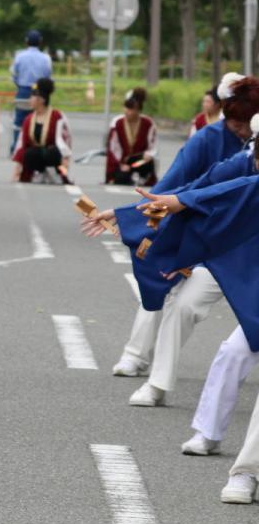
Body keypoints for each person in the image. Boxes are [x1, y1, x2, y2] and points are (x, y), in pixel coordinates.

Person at [96, 73, 259, 379]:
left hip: (243, 237)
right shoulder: (207, 141)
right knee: (160, 272)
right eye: (235, 123)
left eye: (244, 124)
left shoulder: (251, 149)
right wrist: (128, 214)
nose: (239, 130)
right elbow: (180, 185)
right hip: (198, 226)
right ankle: (138, 356)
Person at [11, 78, 71, 184]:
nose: (30, 99)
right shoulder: (28, 119)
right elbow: (22, 145)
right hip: (36, 158)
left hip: (54, 159)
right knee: (30, 153)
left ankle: (56, 175)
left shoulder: (57, 117)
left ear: (41, 99)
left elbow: (64, 144)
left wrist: (65, 169)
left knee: (51, 152)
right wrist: (16, 172)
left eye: (32, 96)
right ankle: (38, 173)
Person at [9, 30, 52, 153]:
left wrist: (18, 83)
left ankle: (17, 148)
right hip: (40, 92)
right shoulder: (45, 58)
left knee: (19, 122)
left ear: (26, 41)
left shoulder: (20, 56)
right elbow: (48, 76)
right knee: (41, 119)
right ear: (40, 41)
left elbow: (13, 73)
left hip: (23, 90)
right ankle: (38, 146)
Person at [105, 87, 157, 186]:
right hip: (122, 162)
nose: (129, 112)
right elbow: (112, 148)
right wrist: (120, 164)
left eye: (133, 109)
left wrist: (149, 155)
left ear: (139, 110)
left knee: (147, 164)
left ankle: (142, 178)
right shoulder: (117, 123)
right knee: (122, 178)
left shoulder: (148, 124)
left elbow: (153, 146)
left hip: (140, 161)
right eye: (127, 108)